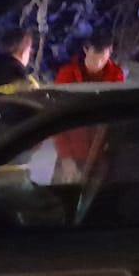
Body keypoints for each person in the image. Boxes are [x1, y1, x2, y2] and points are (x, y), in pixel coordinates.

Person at [53, 31, 125, 179]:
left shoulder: (116, 76)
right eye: (94, 57)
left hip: (102, 156)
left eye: (102, 58)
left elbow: (116, 119)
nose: (97, 63)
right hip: (71, 154)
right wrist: (66, 157)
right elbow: (57, 118)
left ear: (110, 52)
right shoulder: (67, 75)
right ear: (86, 50)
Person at [54, 31, 125, 87]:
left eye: (103, 60)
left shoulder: (116, 74)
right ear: (85, 50)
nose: (98, 65)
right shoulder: (67, 73)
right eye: (93, 59)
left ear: (110, 53)